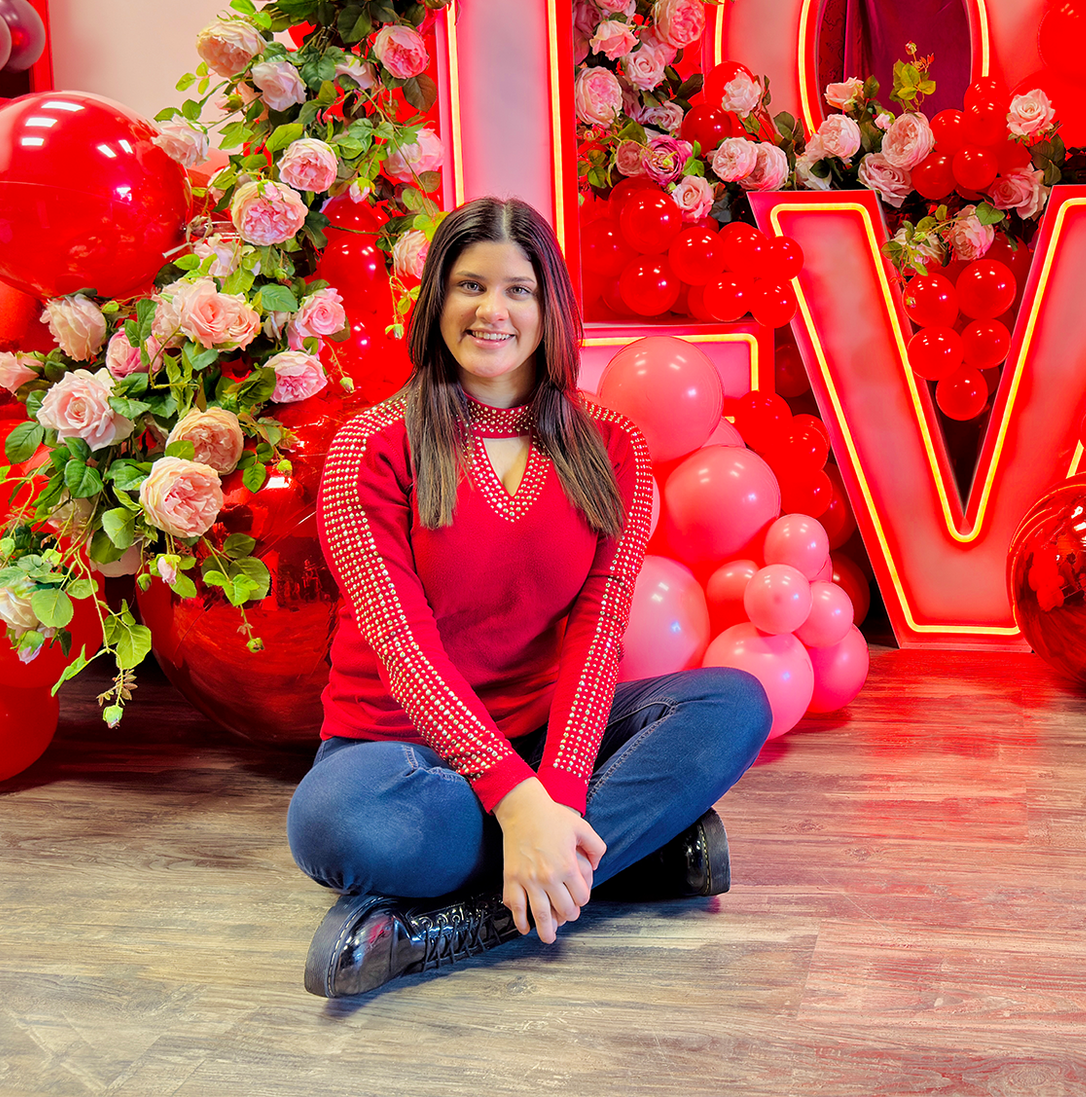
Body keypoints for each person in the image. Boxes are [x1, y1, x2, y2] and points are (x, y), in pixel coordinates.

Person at [288, 197, 772, 998]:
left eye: (519, 289)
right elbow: (402, 650)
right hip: (399, 753)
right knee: (339, 823)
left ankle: (460, 924)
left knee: (732, 702)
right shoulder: (368, 447)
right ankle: (624, 856)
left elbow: (599, 632)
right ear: (437, 298)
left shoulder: (612, 445)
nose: (492, 310)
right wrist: (513, 801)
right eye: (469, 286)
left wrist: (557, 791)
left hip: (551, 736)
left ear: (551, 307)